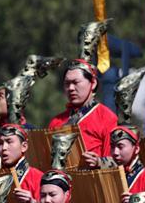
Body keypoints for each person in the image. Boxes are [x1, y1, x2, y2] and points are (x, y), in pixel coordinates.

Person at [48, 21, 118, 159]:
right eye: (67, 83)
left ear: (92, 83)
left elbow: (115, 162)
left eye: (76, 82)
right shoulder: (56, 122)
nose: (71, 88)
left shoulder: (107, 118)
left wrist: (99, 163)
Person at [0, 124, 44, 203]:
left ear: (24, 146)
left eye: (9, 142)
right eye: (0, 143)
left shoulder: (38, 178)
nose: (4, 147)